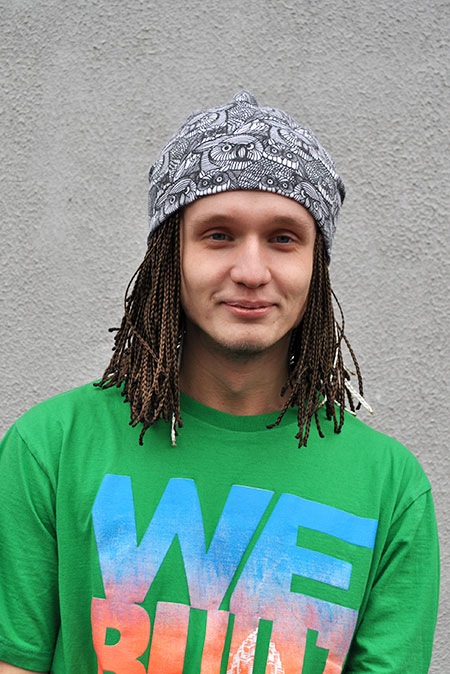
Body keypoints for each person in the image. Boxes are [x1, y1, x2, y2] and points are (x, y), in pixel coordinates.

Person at [0, 91, 439, 674]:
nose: (251, 272)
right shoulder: (51, 449)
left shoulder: (390, 488)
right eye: (218, 235)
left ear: (316, 264)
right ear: (170, 255)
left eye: (283, 238)